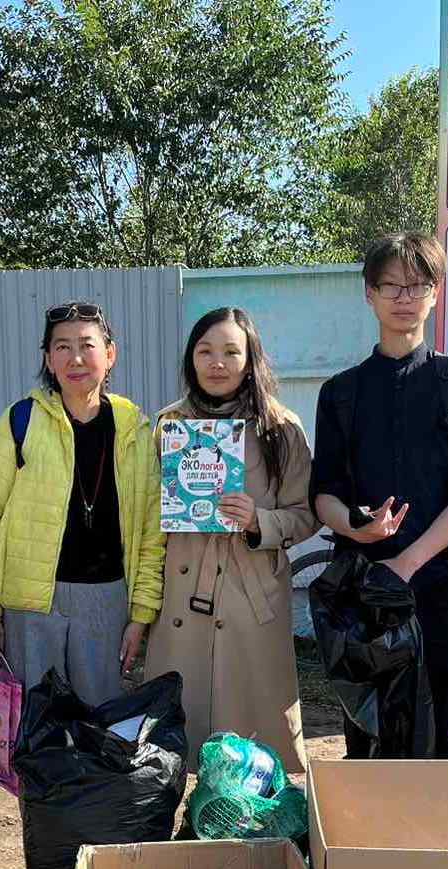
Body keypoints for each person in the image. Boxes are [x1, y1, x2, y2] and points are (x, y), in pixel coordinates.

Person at [310, 232, 448, 759]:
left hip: (437, 586)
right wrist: (354, 527)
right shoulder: (341, 392)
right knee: (365, 734)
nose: (403, 297)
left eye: (416, 285)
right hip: (362, 591)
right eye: (390, 285)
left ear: (436, 293)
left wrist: (408, 563)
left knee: (440, 729)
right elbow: (323, 490)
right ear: (369, 293)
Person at [145, 308, 319, 772]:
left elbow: (307, 515)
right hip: (180, 600)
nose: (217, 362)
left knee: (255, 746)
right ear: (190, 358)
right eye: (205, 351)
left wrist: (260, 520)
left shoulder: (280, 428)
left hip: (251, 599)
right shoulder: (166, 427)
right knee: (174, 741)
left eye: (230, 351)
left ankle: (251, 832)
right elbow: (144, 516)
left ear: (250, 359)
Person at [0, 303, 164, 703]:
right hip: (30, 601)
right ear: (47, 359)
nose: (75, 358)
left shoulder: (135, 428)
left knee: (98, 720)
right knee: (36, 726)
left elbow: (151, 530)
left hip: (106, 598)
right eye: (62, 347)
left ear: (110, 354)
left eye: (87, 345)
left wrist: (141, 613)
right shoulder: (19, 421)